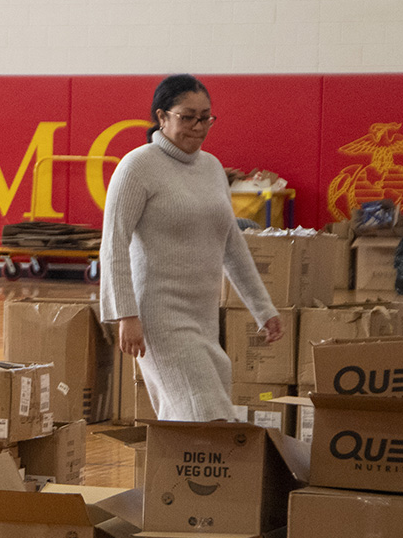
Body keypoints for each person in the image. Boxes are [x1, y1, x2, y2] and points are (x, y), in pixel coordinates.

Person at [99, 73, 284, 421]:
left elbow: (231, 242)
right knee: (207, 416)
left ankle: (170, 475)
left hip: (203, 316)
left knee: (188, 418)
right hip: (157, 316)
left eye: (206, 117)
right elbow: (114, 245)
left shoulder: (212, 167)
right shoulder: (137, 167)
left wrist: (263, 308)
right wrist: (126, 316)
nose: (198, 126)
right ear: (162, 116)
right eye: (187, 117)